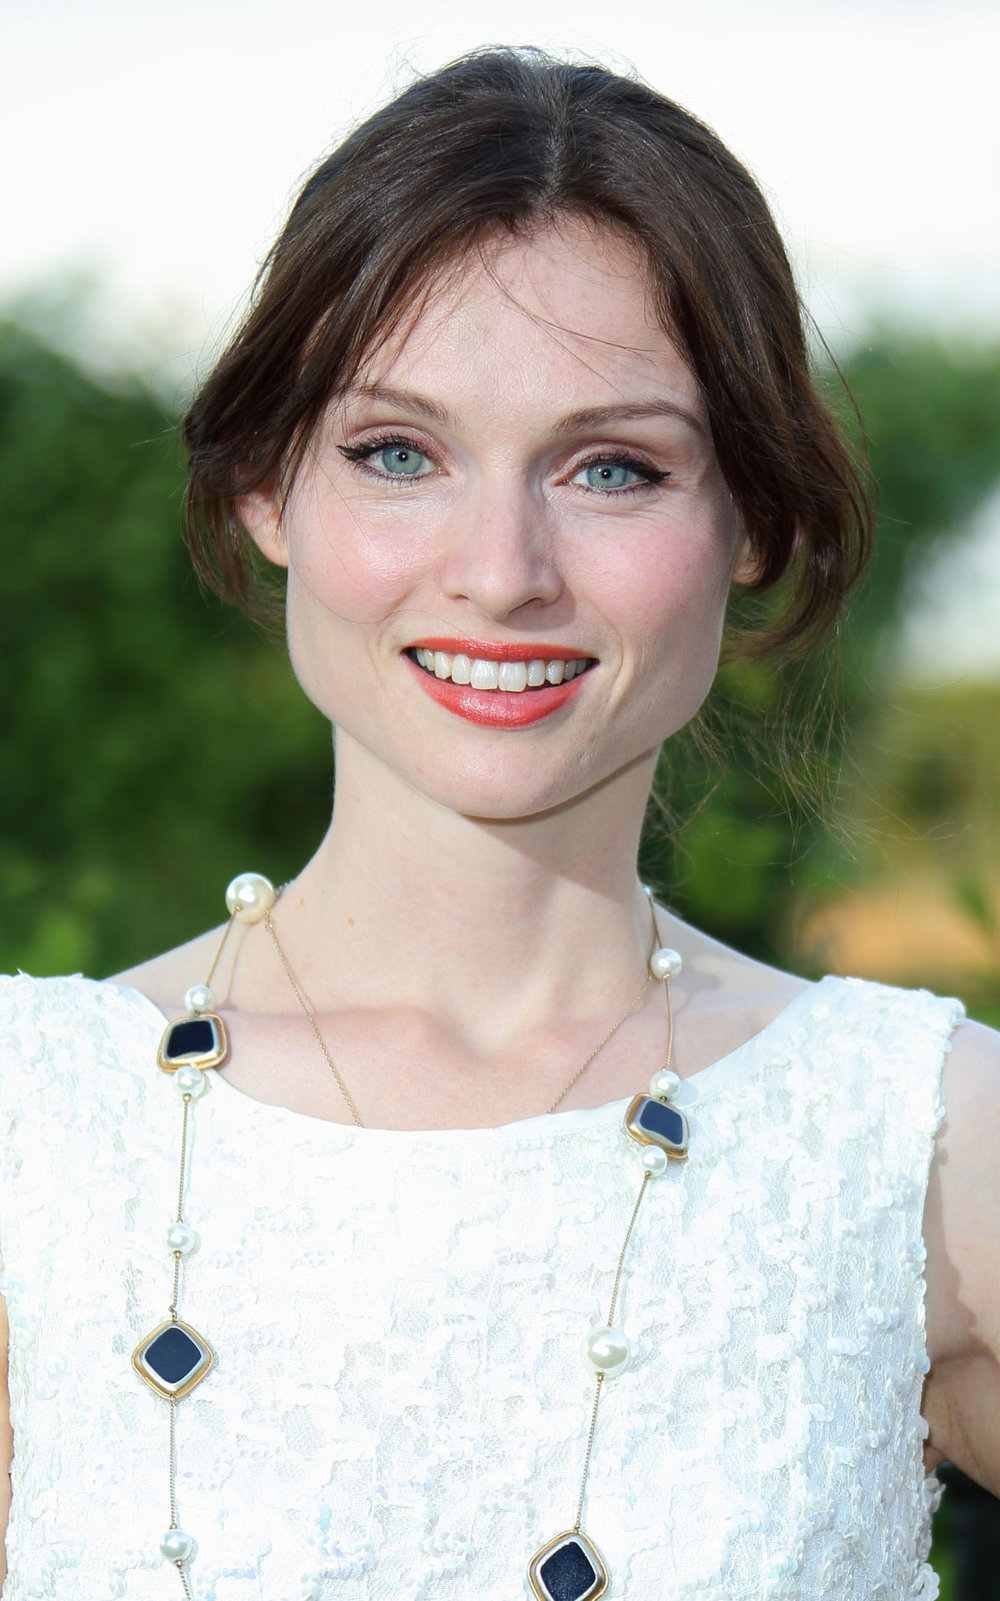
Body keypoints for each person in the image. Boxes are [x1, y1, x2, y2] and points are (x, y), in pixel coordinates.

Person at [0, 46, 997, 1601]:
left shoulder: (924, 1145)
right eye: (399, 451)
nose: (501, 566)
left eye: (614, 466)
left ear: (750, 519)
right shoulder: (30, 1138)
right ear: (269, 487)